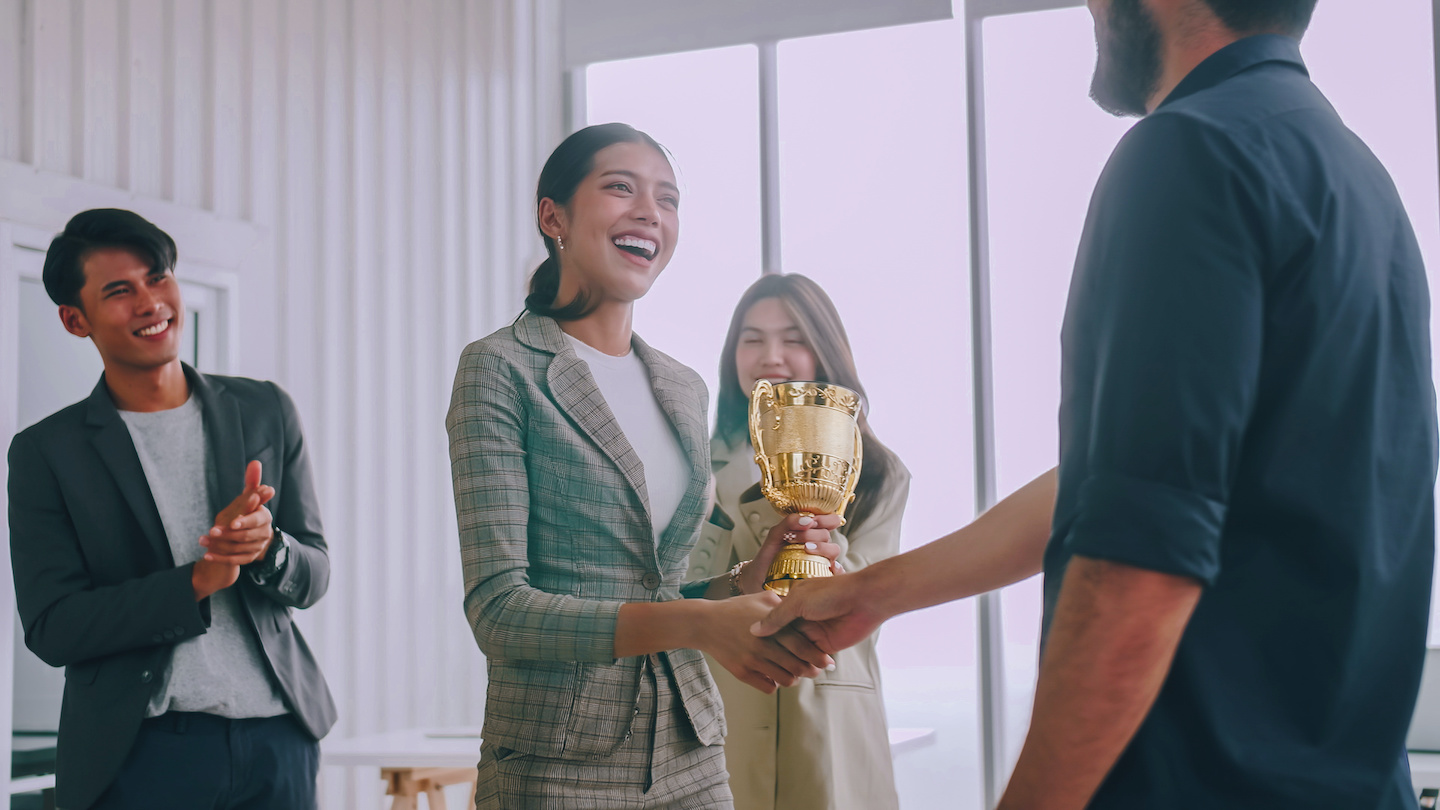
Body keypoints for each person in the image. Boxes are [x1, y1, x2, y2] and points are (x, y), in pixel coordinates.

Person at [756, 1, 1437, 808]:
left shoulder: (1190, 150)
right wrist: (867, 594)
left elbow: (1137, 564)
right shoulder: (1353, 174)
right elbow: (1123, 482)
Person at [446, 123, 841, 809]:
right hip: (555, 762)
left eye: (667, 197)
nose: (649, 212)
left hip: (692, 750)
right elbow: (499, 610)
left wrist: (740, 583)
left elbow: (661, 592)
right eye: (620, 188)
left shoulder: (681, 387)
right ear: (553, 216)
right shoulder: (501, 370)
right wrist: (695, 626)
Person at [7, 209, 335, 810]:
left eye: (157, 278)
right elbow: (53, 627)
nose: (150, 301)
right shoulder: (45, 454)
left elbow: (314, 575)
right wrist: (195, 583)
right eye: (119, 291)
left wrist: (270, 549)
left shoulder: (264, 410)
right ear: (75, 320)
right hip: (144, 755)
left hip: (279, 739)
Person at [683, 273, 909, 809]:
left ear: (824, 350)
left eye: (794, 337)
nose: (771, 355)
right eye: (752, 338)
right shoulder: (692, 463)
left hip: (830, 708)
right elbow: (680, 589)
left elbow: (860, 592)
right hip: (722, 708)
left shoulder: (877, 472)